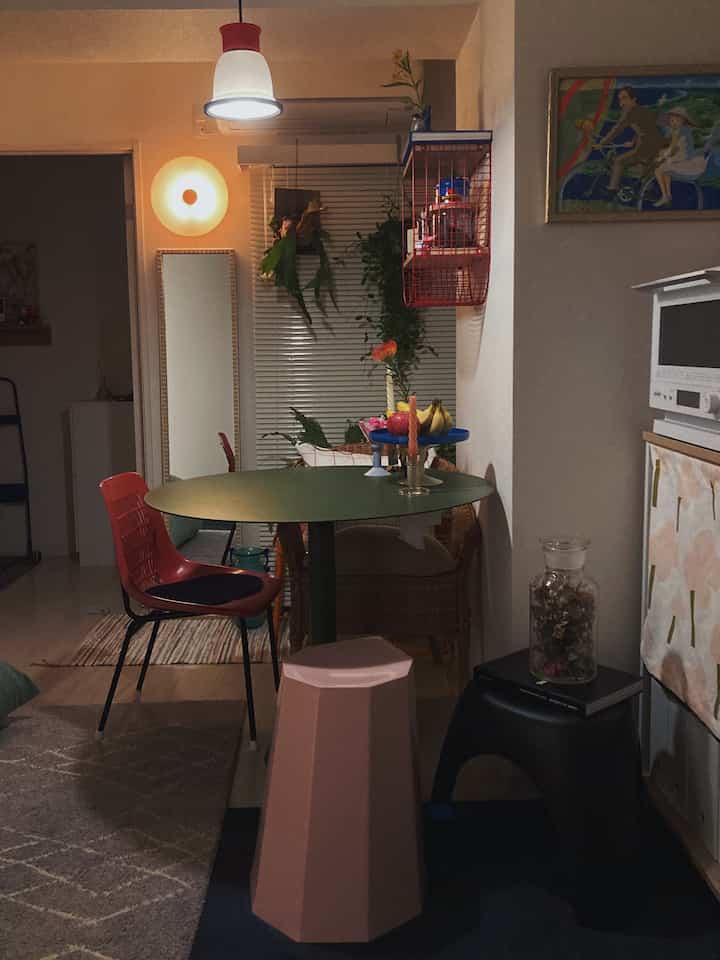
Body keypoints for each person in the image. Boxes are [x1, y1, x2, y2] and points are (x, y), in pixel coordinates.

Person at [597, 85, 668, 193]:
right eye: (620, 99)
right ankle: (647, 190)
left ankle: (612, 188)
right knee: (644, 167)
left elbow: (617, 129)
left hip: (647, 146)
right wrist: (633, 141)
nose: (622, 102)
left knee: (619, 161)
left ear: (633, 99)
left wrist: (602, 143)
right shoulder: (642, 109)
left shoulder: (628, 112)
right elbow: (645, 128)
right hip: (657, 144)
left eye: (625, 98)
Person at [653, 106, 706, 207]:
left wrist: (662, 157)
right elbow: (673, 147)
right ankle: (668, 195)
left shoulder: (682, 130)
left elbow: (673, 148)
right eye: (672, 120)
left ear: (683, 120)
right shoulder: (677, 130)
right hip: (682, 158)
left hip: (687, 162)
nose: (673, 122)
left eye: (677, 120)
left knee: (658, 170)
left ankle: (665, 196)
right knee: (664, 167)